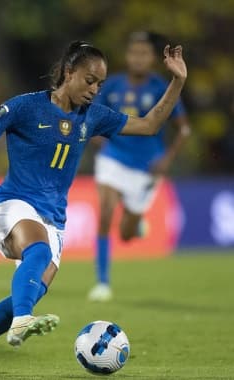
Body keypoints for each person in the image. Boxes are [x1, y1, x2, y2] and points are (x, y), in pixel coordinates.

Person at [0, 40, 187, 378]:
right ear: (68, 72)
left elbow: (149, 125)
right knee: (38, 253)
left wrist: (177, 81)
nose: (95, 90)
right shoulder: (25, 107)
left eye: (100, 84)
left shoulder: (94, 117)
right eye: (89, 80)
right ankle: (22, 320)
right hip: (12, 205)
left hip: (54, 220)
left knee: (29, 289)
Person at [88, 31, 191, 302]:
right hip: (113, 158)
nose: (138, 58)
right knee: (106, 212)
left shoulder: (160, 87)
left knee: (126, 234)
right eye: (134, 53)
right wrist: (99, 140)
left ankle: (135, 223)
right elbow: (91, 117)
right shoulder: (111, 86)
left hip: (146, 167)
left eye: (144, 53)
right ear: (127, 55)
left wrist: (167, 159)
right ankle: (102, 282)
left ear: (153, 58)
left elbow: (184, 130)